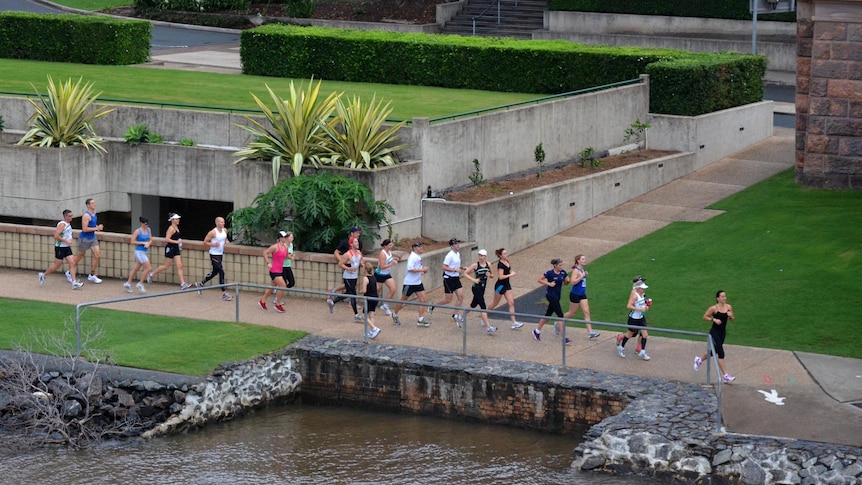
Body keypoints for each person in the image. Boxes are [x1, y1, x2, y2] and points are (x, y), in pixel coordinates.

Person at [694, 290, 737, 384]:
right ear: (718, 298)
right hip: (714, 332)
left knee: (713, 352)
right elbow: (705, 317)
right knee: (721, 353)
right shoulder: (714, 308)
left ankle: (699, 360)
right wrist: (714, 319)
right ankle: (726, 376)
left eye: (725, 296)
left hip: (722, 333)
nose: (724, 298)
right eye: (722, 297)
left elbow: (732, 319)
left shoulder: (728, 307)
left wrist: (731, 316)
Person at [38, 209, 83, 289]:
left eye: (71, 216)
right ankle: (43, 275)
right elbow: (56, 236)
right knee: (57, 265)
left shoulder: (68, 224)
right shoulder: (62, 225)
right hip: (60, 248)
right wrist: (66, 241)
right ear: (65, 216)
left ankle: (74, 282)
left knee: (72, 263)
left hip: (67, 247)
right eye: (70, 216)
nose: (71, 217)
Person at [390, 241, 430, 327]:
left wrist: (422, 271)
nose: (421, 248)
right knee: (402, 301)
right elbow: (410, 269)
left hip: (417, 283)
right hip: (410, 283)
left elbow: (416, 269)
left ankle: (421, 319)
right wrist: (422, 270)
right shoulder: (412, 257)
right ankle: (395, 314)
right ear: (415, 248)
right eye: (419, 247)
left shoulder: (417, 257)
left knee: (423, 300)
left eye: (421, 246)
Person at [148, 212, 191, 289]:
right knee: (166, 266)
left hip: (176, 248)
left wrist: (178, 240)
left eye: (178, 219)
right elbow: (167, 239)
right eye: (176, 219)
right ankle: (152, 274)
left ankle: (182, 283)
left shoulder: (176, 228)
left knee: (179, 265)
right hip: (170, 248)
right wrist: (176, 242)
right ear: (172, 220)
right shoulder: (171, 229)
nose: (178, 220)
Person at [562, 254, 600, 340]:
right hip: (575, 294)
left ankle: (590, 332)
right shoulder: (576, 270)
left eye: (585, 259)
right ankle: (559, 322)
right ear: (578, 261)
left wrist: (583, 275)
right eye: (583, 259)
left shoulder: (581, 269)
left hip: (582, 294)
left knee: (586, 312)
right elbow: (572, 282)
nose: (584, 260)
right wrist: (582, 276)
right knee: (572, 313)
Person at [194, 216, 233, 301]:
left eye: (223, 222)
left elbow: (225, 238)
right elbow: (205, 242)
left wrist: (226, 241)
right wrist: (214, 245)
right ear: (217, 223)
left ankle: (200, 284)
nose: (223, 223)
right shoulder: (212, 232)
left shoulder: (225, 230)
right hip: (214, 254)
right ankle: (224, 294)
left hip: (220, 254)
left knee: (215, 272)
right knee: (221, 272)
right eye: (221, 222)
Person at [532, 258, 570, 344]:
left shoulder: (563, 272)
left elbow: (566, 281)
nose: (561, 267)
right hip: (551, 295)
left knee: (548, 314)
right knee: (560, 316)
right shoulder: (550, 273)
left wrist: (567, 281)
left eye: (562, 265)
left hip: (557, 296)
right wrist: (549, 284)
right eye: (560, 265)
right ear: (555, 266)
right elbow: (539, 279)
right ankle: (564, 337)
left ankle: (537, 331)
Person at [431, 238, 466, 327]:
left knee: (461, 297)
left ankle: (454, 315)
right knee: (448, 300)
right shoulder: (449, 255)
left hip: (456, 278)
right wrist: (454, 269)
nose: (458, 245)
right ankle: (433, 305)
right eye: (455, 244)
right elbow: (444, 267)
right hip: (448, 279)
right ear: (451, 246)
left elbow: (455, 266)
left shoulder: (457, 254)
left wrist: (461, 268)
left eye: (458, 243)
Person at [463, 249, 497, 335]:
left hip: (483, 287)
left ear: (485, 256)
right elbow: (465, 273)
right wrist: (474, 279)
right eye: (479, 255)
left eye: (482, 255)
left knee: (473, 305)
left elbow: (493, 275)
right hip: (476, 287)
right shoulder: (475, 265)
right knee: (483, 306)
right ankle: (488, 327)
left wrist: (490, 275)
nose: (480, 257)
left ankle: (461, 315)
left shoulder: (488, 264)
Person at [616, 276, 651, 361]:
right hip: (633, 318)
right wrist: (640, 309)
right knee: (630, 334)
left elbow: (643, 304)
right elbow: (629, 306)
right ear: (638, 288)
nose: (644, 290)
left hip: (641, 318)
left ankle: (642, 351)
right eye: (643, 288)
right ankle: (621, 347)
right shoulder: (634, 295)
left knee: (645, 335)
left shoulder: (642, 294)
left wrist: (646, 306)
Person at [327, 226, 362, 310]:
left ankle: (333, 292)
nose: (358, 234)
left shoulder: (359, 243)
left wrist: (361, 262)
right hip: (348, 267)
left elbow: (359, 254)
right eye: (356, 232)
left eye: (359, 232)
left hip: (355, 268)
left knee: (353, 286)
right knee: (351, 288)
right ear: (352, 233)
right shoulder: (344, 242)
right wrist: (342, 261)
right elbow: (336, 252)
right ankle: (354, 307)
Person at [489, 248, 524, 330]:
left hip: (507, 285)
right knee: (495, 303)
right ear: (500, 256)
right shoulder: (500, 265)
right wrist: (511, 275)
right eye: (504, 254)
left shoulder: (507, 261)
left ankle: (514, 322)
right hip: (500, 286)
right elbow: (500, 277)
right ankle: (485, 315)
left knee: (511, 303)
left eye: (506, 253)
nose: (506, 254)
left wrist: (509, 274)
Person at [73, 198, 104, 284]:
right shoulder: (86, 216)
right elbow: (85, 229)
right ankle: (70, 271)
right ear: (88, 205)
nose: (94, 204)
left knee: (97, 256)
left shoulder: (94, 214)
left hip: (92, 238)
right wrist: (96, 228)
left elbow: (92, 225)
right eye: (92, 203)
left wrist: (97, 227)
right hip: (84, 238)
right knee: (80, 256)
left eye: (94, 203)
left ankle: (92, 275)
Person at [259, 231, 288, 313]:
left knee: (272, 287)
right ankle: (278, 304)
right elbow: (265, 252)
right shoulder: (275, 247)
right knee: (283, 285)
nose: (285, 238)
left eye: (286, 237)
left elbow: (285, 256)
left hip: (280, 270)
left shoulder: (285, 247)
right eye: (284, 237)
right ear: (280, 238)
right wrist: (268, 262)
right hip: (274, 270)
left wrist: (291, 256)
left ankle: (262, 301)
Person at [339, 237, 365, 321]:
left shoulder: (359, 252)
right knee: (353, 294)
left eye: (357, 242)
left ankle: (333, 301)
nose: (357, 243)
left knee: (348, 293)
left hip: (355, 276)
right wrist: (349, 269)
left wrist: (362, 263)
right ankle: (356, 314)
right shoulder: (347, 254)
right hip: (348, 276)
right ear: (351, 244)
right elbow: (340, 264)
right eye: (355, 242)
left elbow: (360, 261)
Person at [123, 216, 151, 293]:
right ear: (142, 224)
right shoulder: (138, 231)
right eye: (145, 224)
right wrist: (142, 243)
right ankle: (140, 283)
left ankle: (128, 283)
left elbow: (151, 239)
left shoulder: (148, 230)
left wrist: (148, 243)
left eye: (147, 224)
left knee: (136, 268)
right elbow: (132, 241)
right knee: (148, 268)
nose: (146, 226)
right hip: (139, 251)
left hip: (145, 251)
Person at [375, 239, 400, 316]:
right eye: (390, 245)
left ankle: (385, 305)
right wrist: (392, 264)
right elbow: (382, 267)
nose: (391, 246)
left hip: (387, 274)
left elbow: (390, 260)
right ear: (385, 246)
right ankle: (371, 306)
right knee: (377, 291)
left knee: (393, 289)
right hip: (380, 274)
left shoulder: (389, 252)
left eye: (391, 245)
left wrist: (395, 260)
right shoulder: (382, 254)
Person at [358, 262, 382, 339]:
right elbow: (377, 287)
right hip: (375, 297)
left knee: (364, 315)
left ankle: (374, 328)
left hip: (368, 298)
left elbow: (364, 290)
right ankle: (372, 331)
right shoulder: (374, 278)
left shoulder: (366, 278)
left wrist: (360, 291)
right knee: (371, 315)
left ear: (365, 270)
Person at [278, 231, 296, 307]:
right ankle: (278, 297)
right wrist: (290, 256)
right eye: (291, 237)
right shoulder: (283, 245)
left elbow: (290, 254)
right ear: (287, 238)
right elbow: (284, 255)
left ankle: (279, 290)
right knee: (283, 283)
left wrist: (292, 256)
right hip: (282, 266)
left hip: (288, 266)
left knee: (291, 282)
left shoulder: (291, 245)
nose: (292, 238)